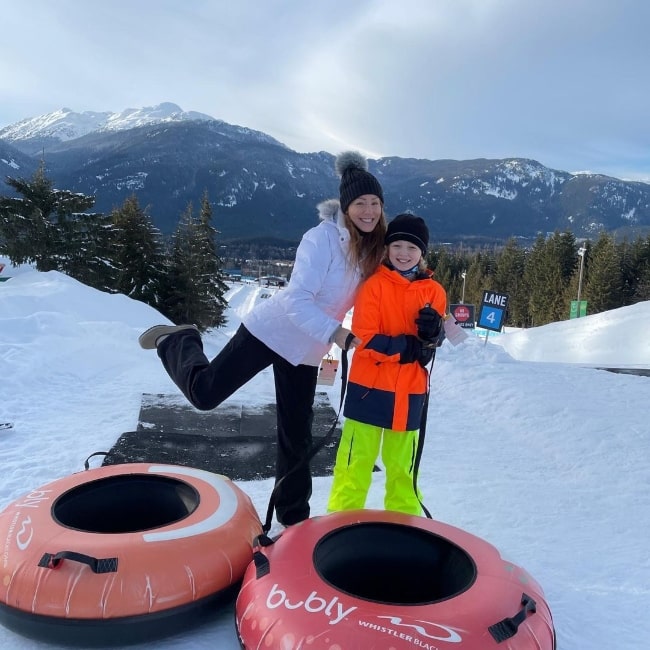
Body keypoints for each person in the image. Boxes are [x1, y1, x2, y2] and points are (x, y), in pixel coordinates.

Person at [138, 151, 387, 526]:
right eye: (360, 203)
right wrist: (336, 332)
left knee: (296, 437)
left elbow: (399, 277)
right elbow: (297, 300)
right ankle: (179, 340)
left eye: (375, 203)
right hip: (270, 331)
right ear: (346, 207)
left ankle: (294, 519)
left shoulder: (371, 249)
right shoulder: (321, 239)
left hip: (305, 349)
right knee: (205, 394)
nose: (368, 211)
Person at [327, 213, 447, 516]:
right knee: (354, 467)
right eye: (398, 246)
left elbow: (426, 351)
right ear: (387, 248)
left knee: (403, 473)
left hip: (409, 394)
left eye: (412, 248)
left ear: (422, 253)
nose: (404, 254)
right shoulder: (373, 286)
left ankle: (405, 531)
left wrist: (434, 335)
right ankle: (339, 527)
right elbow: (364, 339)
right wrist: (405, 347)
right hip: (368, 389)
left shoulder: (434, 292)